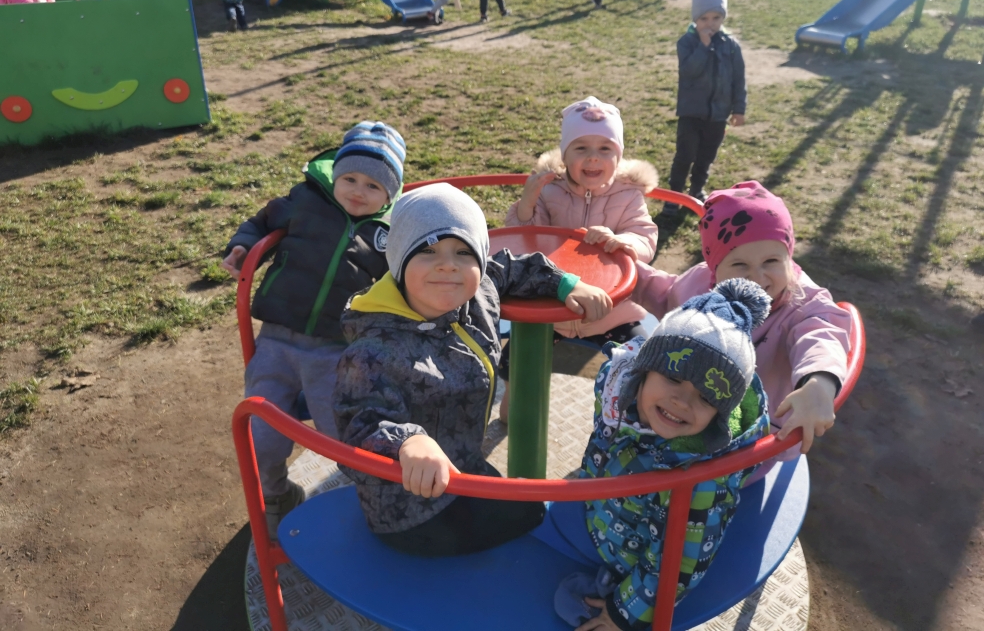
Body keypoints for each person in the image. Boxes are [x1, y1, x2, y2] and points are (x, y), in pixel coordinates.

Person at [332, 183, 613, 556]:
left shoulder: (479, 292)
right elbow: (359, 428)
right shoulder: (374, 351)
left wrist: (564, 284)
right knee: (535, 515)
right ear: (398, 257)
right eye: (428, 250)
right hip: (411, 506)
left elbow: (509, 266)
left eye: (463, 251)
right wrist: (406, 442)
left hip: (463, 464)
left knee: (522, 500)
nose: (448, 264)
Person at [221, 122, 406, 539]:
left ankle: (371, 497)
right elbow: (261, 223)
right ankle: (277, 495)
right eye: (350, 179)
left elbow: (403, 281)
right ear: (335, 175)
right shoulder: (306, 200)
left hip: (336, 350)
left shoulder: (389, 231)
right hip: (276, 340)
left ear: (390, 194)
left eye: (373, 186)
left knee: (343, 431)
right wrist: (243, 247)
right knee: (262, 433)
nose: (357, 191)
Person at [554, 279, 771, 630]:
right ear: (645, 369)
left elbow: (679, 562)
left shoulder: (699, 481)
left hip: (635, 560)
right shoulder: (617, 393)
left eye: (706, 397)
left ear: (720, 413)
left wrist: (624, 613)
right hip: (606, 513)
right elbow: (604, 441)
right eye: (673, 378)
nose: (681, 402)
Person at [599, 180, 851, 478]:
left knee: (692, 483)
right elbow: (666, 295)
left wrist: (818, 382)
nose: (757, 277)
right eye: (739, 264)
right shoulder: (702, 284)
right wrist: (621, 266)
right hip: (684, 413)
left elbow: (823, 335)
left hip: (748, 443)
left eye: (772, 260)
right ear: (715, 267)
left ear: (789, 255)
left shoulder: (803, 304)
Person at [501, 96, 658, 422]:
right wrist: (527, 203)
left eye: (605, 149)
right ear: (565, 155)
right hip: (554, 304)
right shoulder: (551, 190)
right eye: (581, 148)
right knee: (514, 361)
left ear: (618, 155)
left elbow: (645, 236)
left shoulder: (628, 194)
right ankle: (510, 415)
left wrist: (622, 240)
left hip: (610, 309)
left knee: (644, 362)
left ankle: (633, 425)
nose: (593, 158)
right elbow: (525, 240)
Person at [664, 0, 746, 215]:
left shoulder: (731, 45)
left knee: (706, 156)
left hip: (718, 114)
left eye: (716, 18)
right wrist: (703, 46)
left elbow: (738, 79)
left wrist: (738, 109)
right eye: (704, 19)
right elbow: (688, 71)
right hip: (691, 112)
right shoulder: (687, 42)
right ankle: (674, 196)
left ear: (723, 18)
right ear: (695, 19)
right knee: (685, 155)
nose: (710, 24)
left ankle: (697, 190)